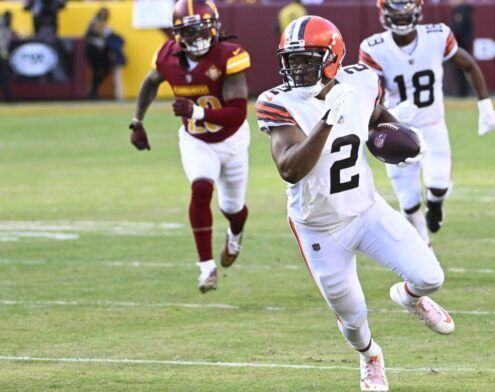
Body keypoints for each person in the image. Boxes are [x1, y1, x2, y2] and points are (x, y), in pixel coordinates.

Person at [256, 15, 454, 391]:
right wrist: (328, 119)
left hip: (366, 209)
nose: (296, 67)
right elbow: (289, 169)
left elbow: (377, 117)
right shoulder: (277, 102)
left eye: (307, 58)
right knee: (352, 316)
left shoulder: (361, 80)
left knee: (431, 277)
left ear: (332, 58)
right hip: (319, 227)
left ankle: (409, 298)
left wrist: (405, 139)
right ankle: (370, 357)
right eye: (291, 59)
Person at [129, 0, 251, 294]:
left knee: (232, 208)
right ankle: (206, 267)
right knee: (200, 188)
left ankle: (235, 235)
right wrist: (137, 121)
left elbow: (237, 112)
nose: (196, 38)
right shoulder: (167, 57)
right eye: (189, 32)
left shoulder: (229, 56)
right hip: (196, 140)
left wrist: (196, 111)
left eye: (201, 30)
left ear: (214, 27)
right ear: (177, 34)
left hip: (231, 139)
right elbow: (149, 83)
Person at [359, 0, 495, 246]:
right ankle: (423, 248)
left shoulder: (437, 35)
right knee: (408, 201)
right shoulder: (374, 47)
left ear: (417, 11)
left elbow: (467, 64)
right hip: (396, 126)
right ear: (384, 14)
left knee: (438, 184)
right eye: (396, 13)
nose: (402, 19)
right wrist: (388, 111)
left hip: (433, 124)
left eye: (406, 13)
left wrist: (485, 104)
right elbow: (371, 91)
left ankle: (436, 206)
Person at [85, 8, 113, 99]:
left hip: (101, 52)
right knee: (96, 71)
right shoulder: (94, 21)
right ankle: (93, 91)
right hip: (93, 51)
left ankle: (93, 90)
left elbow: (104, 37)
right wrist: (97, 42)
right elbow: (88, 37)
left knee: (105, 70)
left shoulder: (104, 24)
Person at [0, 11, 17, 102]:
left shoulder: (6, 26)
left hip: (3, 55)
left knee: (5, 77)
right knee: (4, 76)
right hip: (1, 55)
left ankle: (8, 96)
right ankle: (8, 97)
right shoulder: (2, 26)